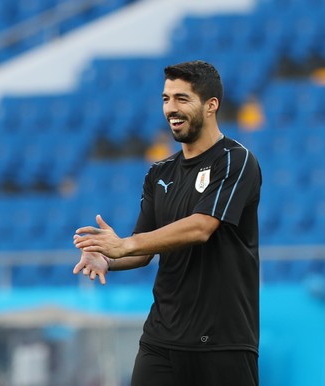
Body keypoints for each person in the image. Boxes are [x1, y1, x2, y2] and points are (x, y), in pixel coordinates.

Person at [72, 60, 262, 385]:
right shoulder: (158, 173)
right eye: (166, 99)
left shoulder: (235, 160)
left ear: (211, 105)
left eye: (182, 99)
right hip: (161, 340)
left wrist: (126, 244)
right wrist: (108, 257)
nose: (171, 109)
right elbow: (144, 250)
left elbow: (202, 227)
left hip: (221, 342)